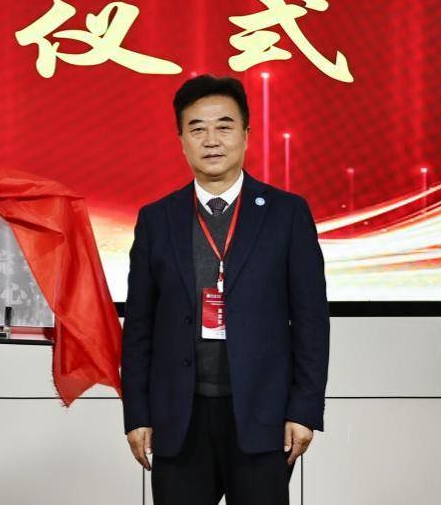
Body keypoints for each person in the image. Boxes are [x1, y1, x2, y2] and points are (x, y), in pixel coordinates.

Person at [121, 74, 329, 505]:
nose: (211, 140)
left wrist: (304, 409)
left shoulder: (287, 213)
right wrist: (137, 413)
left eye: (224, 126)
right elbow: (139, 325)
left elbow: (311, 321)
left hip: (263, 416)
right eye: (197, 128)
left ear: (246, 135)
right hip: (179, 418)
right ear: (181, 140)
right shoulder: (157, 219)